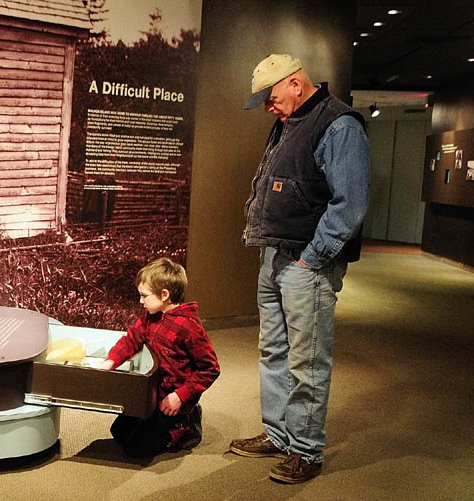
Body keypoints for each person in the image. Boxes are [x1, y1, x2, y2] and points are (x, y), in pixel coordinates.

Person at [230, 53, 370, 483]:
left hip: (306, 263)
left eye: (272, 98)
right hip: (274, 255)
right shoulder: (288, 121)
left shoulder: (340, 124)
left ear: (295, 84)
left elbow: (350, 203)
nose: (269, 108)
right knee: (273, 350)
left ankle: (306, 450)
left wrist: (314, 257)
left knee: (306, 361)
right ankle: (278, 434)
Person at [99, 258, 220, 458]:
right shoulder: (150, 317)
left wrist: (180, 396)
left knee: (135, 449)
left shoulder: (189, 327)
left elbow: (210, 369)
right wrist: (110, 361)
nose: (140, 301)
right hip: (154, 392)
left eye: (144, 296)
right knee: (118, 432)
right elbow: (132, 340)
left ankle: (186, 425)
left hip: (173, 400)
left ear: (164, 295)